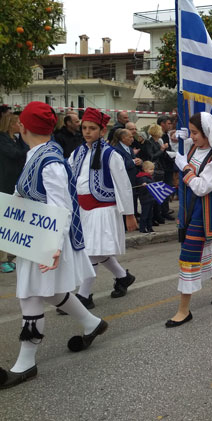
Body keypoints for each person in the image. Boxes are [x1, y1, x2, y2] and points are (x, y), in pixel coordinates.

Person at [0, 102, 107, 390]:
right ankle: (92, 323)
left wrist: (53, 247)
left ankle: (26, 363)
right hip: (35, 236)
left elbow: (62, 207)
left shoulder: (50, 161)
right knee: (49, 291)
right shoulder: (38, 154)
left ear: (23, 126)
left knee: (31, 295)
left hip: (46, 239)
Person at [67, 107, 137, 311]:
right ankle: (123, 277)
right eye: (84, 128)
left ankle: (84, 296)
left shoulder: (110, 154)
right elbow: (68, 175)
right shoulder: (77, 152)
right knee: (96, 250)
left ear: (102, 130)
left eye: (92, 128)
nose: (87, 132)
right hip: (83, 209)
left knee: (91, 253)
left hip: (103, 208)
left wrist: (129, 214)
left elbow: (123, 185)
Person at [166, 112, 212, 327]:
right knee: (203, 257)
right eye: (192, 132)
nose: (192, 136)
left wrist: (185, 168)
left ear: (207, 133)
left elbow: (202, 187)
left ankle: (183, 310)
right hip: (188, 210)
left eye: (195, 133)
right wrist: (176, 138)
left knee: (188, 257)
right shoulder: (193, 147)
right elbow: (177, 149)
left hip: (203, 214)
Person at [0, 112, 29, 273]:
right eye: (18, 123)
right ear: (11, 124)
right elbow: (15, 154)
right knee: (3, 222)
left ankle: (10, 255)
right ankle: (2, 259)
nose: (20, 125)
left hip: (14, 184)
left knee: (13, 221)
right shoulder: (2, 139)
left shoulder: (16, 140)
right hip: (4, 185)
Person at [136, 161, 157, 233]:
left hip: (150, 198)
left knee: (150, 215)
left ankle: (149, 227)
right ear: (145, 169)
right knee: (145, 214)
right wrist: (143, 186)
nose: (152, 171)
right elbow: (141, 190)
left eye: (153, 169)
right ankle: (142, 228)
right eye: (150, 169)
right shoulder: (143, 178)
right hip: (145, 199)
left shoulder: (149, 177)